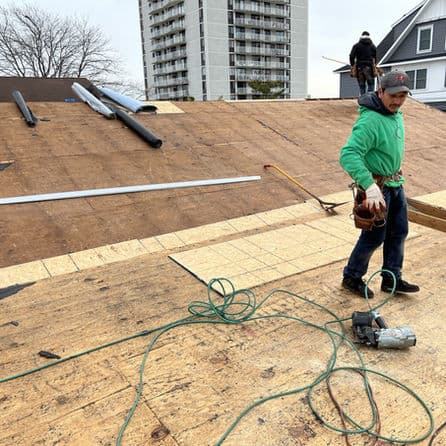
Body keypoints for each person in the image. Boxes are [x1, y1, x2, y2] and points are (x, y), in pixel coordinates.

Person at [339, 70, 420, 298]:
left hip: (395, 185)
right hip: (377, 188)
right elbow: (348, 154)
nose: (397, 101)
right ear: (380, 91)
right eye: (393, 95)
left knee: (399, 232)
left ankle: (391, 278)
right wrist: (369, 186)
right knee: (374, 236)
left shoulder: (395, 114)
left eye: (403, 96)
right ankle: (352, 277)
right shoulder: (370, 120)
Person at [349, 31, 378, 96]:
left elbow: (351, 56)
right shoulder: (372, 46)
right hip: (369, 68)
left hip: (359, 68)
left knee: (362, 86)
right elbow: (375, 58)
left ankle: (363, 102)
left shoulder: (356, 46)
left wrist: (352, 64)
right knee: (371, 85)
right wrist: (374, 65)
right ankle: (369, 101)